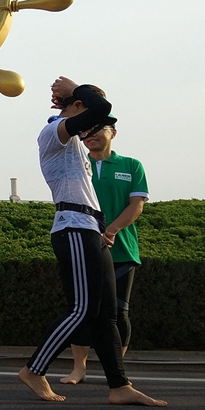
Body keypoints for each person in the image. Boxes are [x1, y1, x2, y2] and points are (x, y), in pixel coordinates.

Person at [16, 77, 165, 407]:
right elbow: (101, 107)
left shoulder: (73, 141)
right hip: (73, 227)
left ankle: (119, 385)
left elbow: (98, 108)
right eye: (86, 112)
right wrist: (75, 90)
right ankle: (34, 369)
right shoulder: (54, 132)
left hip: (91, 230)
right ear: (77, 107)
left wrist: (74, 96)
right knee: (82, 308)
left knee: (106, 315)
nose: (93, 127)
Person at [61, 119, 148, 384]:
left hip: (121, 250)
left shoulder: (131, 165)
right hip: (84, 246)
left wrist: (110, 231)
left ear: (113, 133)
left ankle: (116, 371)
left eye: (99, 129)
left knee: (119, 311)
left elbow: (136, 205)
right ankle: (79, 368)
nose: (92, 134)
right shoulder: (75, 164)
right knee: (82, 310)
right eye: (87, 130)